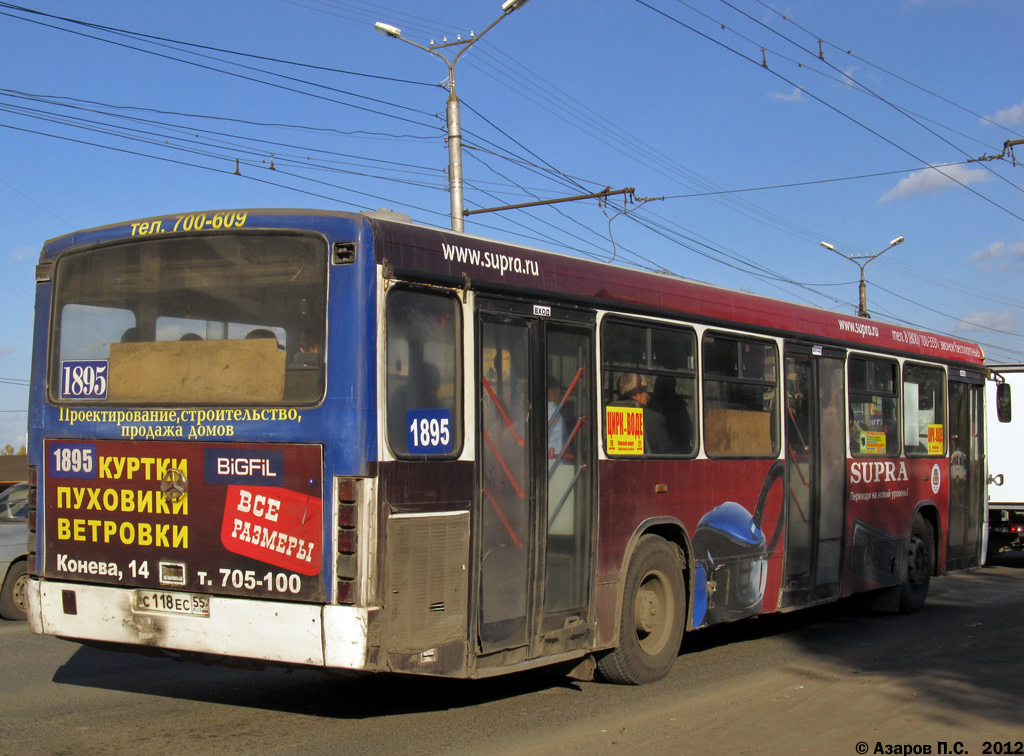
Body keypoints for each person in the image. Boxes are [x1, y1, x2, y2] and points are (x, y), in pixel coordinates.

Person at [616, 372, 675, 455]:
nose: (647, 395)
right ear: (636, 393)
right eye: (645, 390)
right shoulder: (652, 419)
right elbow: (669, 453)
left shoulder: (606, 414)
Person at [547, 376, 567, 467]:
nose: (561, 396)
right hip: (555, 467)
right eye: (559, 391)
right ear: (553, 391)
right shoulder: (552, 411)